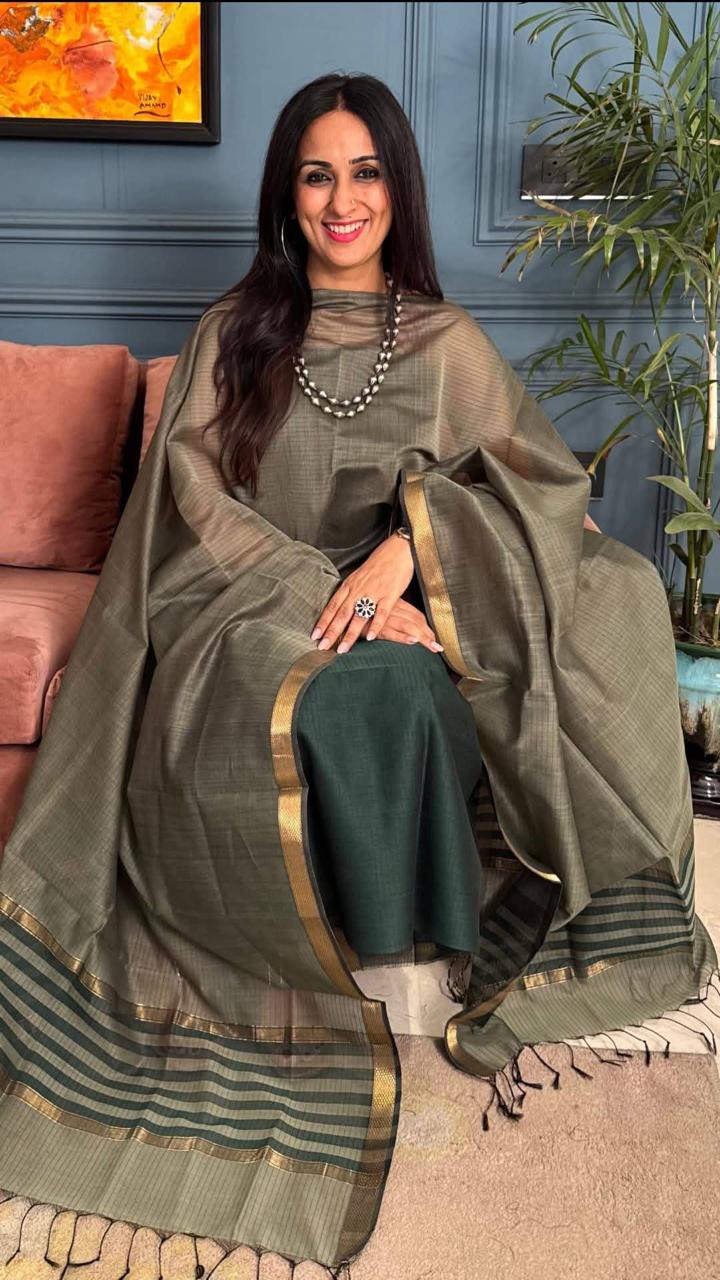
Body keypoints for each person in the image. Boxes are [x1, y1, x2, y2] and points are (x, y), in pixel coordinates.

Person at [0, 71, 716, 1278]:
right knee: (330, 690)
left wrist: (408, 560)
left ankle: (419, 951)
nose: (343, 200)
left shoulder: (444, 343)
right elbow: (191, 502)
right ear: (287, 194)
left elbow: (535, 482)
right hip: (240, 607)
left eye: (367, 171)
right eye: (318, 174)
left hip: (411, 601)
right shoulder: (236, 331)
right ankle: (324, 961)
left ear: (399, 188)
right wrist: (317, 592)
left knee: (448, 665)